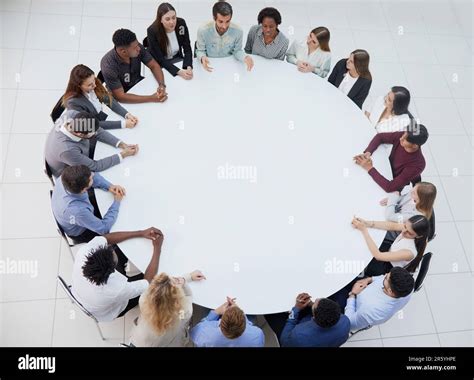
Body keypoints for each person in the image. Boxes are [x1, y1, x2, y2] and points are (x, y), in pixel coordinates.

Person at [71, 227, 164, 322]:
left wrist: (141, 233)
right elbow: (147, 282)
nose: (111, 248)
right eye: (111, 250)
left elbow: (106, 239)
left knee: (119, 247)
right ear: (113, 270)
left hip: (83, 294)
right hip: (109, 310)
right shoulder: (116, 289)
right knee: (154, 283)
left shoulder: (85, 252)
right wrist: (157, 248)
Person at [45, 111, 138, 178]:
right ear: (79, 134)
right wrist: (123, 154)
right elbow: (95, 166)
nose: (95, 133)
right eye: (92, 133)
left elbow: (97, 130)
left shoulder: (71, 115)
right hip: (70, 173)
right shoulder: (67, 150)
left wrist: (121, 144)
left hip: (75, 153)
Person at [129, 270, 206, 347]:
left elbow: (158, 288)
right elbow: (188, 296)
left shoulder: (143, 300)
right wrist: (185, 280)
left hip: (139, 342)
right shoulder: (183, 313)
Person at [51, 165, 124, 243]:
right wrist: (117, 201)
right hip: (83, 232)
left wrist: (109, 186)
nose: (93, 176)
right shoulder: (77, 210)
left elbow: (92, 175)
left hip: (79, 212)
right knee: (119, 225)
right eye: (91, 179)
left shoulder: (66, 176)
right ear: (84, 189)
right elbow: (104, 228)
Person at [353, 125, 429, 193]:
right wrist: (368, 152)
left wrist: (369, 168)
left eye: (405, 139)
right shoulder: (404, 135)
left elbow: (389, 187)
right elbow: (380, 137)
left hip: (391, 184)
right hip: (384, 167)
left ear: (415, 146)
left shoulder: (418, 164)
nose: (401, 138)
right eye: (404, 134)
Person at [100, 28, 168, 103]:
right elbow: (120, 96)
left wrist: (161, 85)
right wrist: (151, 98)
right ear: (123, 52)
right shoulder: (108, 66)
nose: (139, 48)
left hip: (139, 83)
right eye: (135, 48)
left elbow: (154, 65)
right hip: (124, 95)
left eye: (138, 44)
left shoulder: (137, 47)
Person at [62, 64, 138, 130]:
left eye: (93, 80)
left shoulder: (93, 83)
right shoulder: (73, 103)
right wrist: (123, 124)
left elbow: (108, 101)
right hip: (91, 129)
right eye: (89, 85)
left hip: (100, 117)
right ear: (79, 86)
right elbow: (91, 124)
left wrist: (127, 114)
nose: (94, 85)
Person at [351, 215, 430, 276]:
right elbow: (391, 226)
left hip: (385, 270)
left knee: (357, 259)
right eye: (405, 226)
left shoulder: (409, 252)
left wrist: (364, 230)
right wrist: (367, 223)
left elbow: (378, 256)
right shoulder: (409, 229)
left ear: (418, 236)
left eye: (409, 232)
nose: (403, 231)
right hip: (388, 254)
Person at [343, 267, 414, 331]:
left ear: (390, 291)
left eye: (386, 277)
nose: (385, 275)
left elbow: (349, 323)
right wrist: (368, 280)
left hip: (352, 304)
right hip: (363, 286)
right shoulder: (408, 288)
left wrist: (352, 294)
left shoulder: (371, 312)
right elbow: (381, 278)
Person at [195, 1, 254, 72]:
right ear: (214, 18)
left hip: (228, 65)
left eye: (227, 21)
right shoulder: (203, 30)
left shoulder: (238, 31)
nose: (224, 26)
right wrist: (202, 57)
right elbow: (200, 51)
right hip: (210, 64)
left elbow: (237, 51)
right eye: (220, 22)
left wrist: (245, 57)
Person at [190, 297, 264, 347]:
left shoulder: (203, 334)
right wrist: (240, 311)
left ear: (221, 321)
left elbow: (194, 333)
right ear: (244, 325)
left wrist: (216, 312)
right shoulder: (257, 335)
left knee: (208, 305)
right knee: (251, 312)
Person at [279, 295, 350, 347]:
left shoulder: (298, 335)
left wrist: (296, 309)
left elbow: (284, 341)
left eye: (314, 305)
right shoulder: (345, 321)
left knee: (274, 317)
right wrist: (312, 304)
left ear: (313, 318)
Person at [146, 2, 193, 80]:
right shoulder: (152, 31)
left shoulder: (181, 23)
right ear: (160, 20)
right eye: (167, 19)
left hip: (177, 58)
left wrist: (188, 67)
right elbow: (160, 59)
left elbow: (187, 49)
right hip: (161, 63)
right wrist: (179, 72)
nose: (172, 22)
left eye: (174, 18)